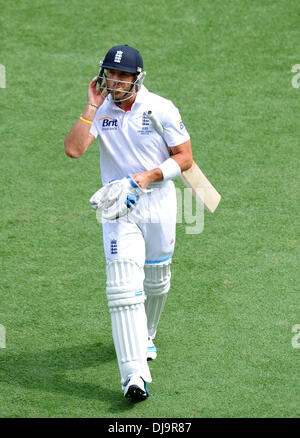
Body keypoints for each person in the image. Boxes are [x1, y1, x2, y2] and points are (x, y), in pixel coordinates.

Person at [64, 45, 193, 402]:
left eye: (123, 75)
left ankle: (146, 335)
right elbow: (74, 149)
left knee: (157, 281)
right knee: (122, 289)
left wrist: (149, 176)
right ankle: (134, 375)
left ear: (137, 77)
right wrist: (91, 104)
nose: (116, 81)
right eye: (110, 74)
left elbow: (184, 158)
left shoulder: (160, 109)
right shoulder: (101, 112)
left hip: (160, 204)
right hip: (119, 208)